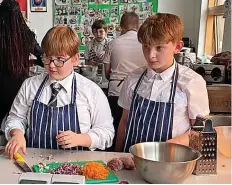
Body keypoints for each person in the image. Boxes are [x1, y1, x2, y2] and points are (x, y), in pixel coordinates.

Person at [4, 26, 114, 158]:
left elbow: (107, 132)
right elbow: (16, 118)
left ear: (75, 59)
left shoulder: (90, 91)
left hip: (77, 164)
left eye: (59, 59)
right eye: (47, 58)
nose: (51, 65)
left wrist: (82, 139)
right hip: (34, 161)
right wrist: (17, 134)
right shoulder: (30, 85)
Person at [116, 13, 210, 152]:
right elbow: (124, 122)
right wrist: (117, 155)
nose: (151, 55)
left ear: (177, 47)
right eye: (146, 47)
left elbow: (200, 130)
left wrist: (166, 147)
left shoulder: (191, 82)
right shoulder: (133, 79)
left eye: (159, 48)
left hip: (171, 162)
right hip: (131, 160)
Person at [103, 12, 146, 151]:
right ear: (138, 26)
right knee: (136, 127)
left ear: (121, 26)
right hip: (140, 91)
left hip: (116, 90)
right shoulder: (145, 44)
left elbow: (107, 72)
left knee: (115, 125)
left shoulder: (113, 44)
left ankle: (114, 155)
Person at [0, 0, 43, 128]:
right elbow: (42, 57)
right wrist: (28, 61)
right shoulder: (26, 35)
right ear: (19, 15)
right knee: (19, 123)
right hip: (19, 86)